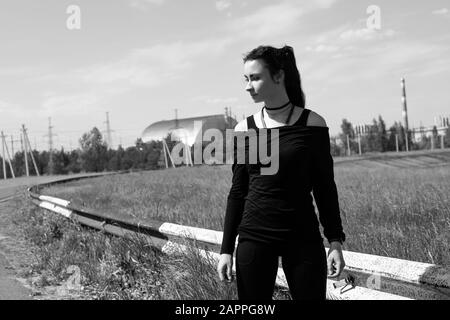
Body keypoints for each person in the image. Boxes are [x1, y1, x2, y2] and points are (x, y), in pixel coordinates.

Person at [216, 45, 346, 300]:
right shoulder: (245, 129)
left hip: (303, 238)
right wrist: (226, 249)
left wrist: (335, 240)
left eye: (255, 78)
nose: (248, 86)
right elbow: (239, 191)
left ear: (278, 76)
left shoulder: (312, 124)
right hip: (254, 236)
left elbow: (324, 187)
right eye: (246, 79)